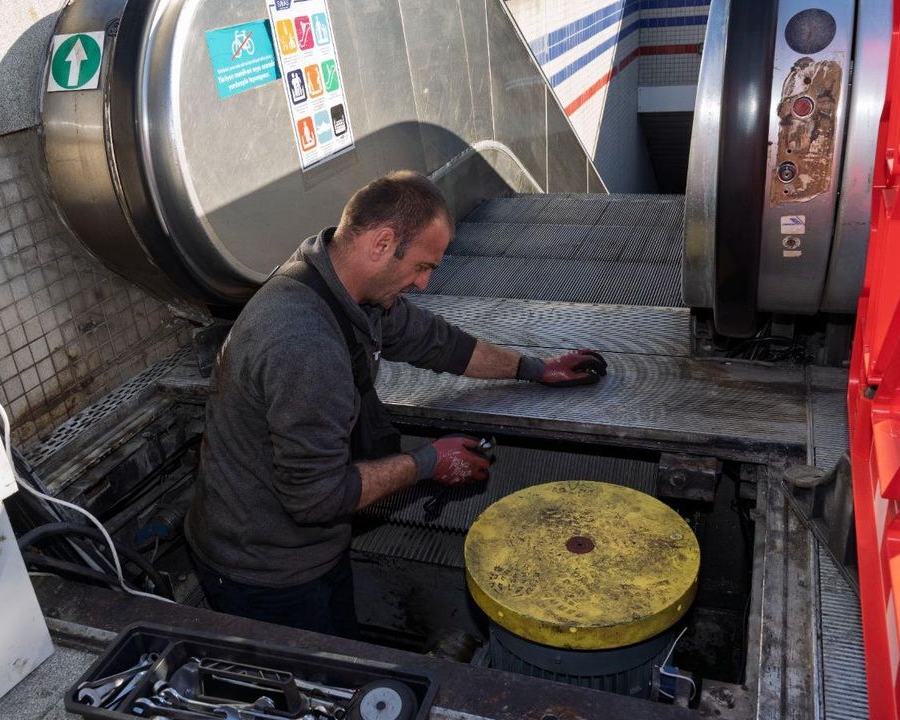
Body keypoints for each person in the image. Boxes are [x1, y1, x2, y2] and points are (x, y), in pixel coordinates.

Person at [186, 171, 608, 638]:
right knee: (320, 677)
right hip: (265, 573)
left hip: (306, 549)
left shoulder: (337, 283)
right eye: (422, 266)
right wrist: (429, 462)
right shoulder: (305, 344)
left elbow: (435, 341)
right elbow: (317, 498)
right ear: (382, 244)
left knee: (344, 655)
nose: (424, 284)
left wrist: (533, 368)